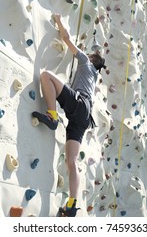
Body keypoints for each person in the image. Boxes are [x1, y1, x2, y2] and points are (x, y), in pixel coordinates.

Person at [32, 14, 106, 217]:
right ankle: (72, 204)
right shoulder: (94, 76)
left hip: (80, 106)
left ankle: (52, 116)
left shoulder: (85, 62)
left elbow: (66, 38)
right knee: (71, 161)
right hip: (84, 117)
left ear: (91, 58)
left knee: (46, 76)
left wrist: (58, 18)